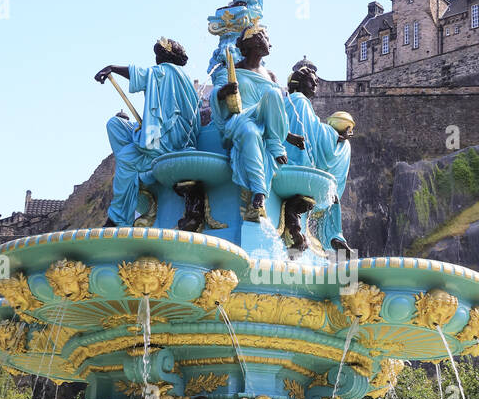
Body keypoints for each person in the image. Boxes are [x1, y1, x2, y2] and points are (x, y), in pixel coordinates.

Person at [94, 37, 202, 227]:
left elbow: (142, 74)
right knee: (115, 124)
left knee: (127, 157)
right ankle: (136, 172)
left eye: (157, 55)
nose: (155, 59)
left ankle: (118, 218)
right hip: (156, 135)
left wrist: (112, 68)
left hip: (169, 142)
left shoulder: (168, 71)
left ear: (165, 56)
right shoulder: (172, 74)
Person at [210, 26, 304, 221]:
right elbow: (215, 95)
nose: (270, 43)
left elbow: (275, 112)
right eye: (266, 38)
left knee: (273, 93)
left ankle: (274, 143)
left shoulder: (271, 76)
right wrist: (225, 91)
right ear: (254, 41)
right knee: (250, 132)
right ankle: (259, 191)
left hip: (264, 122)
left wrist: (289, 137)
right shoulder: (231, 70)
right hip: (240, 119)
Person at [285, 58, 354, 255]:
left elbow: (314, 129)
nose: (316, 84)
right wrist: (337, 137)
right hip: (296, 163)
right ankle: (333, 236)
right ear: (299, 82)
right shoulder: (300, 102)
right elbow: (314, 132)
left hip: (290, 162)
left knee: (331, 198)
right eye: (312, 80)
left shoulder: (292, 102)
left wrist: (335, 135)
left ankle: (330, 237)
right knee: (329, 193)